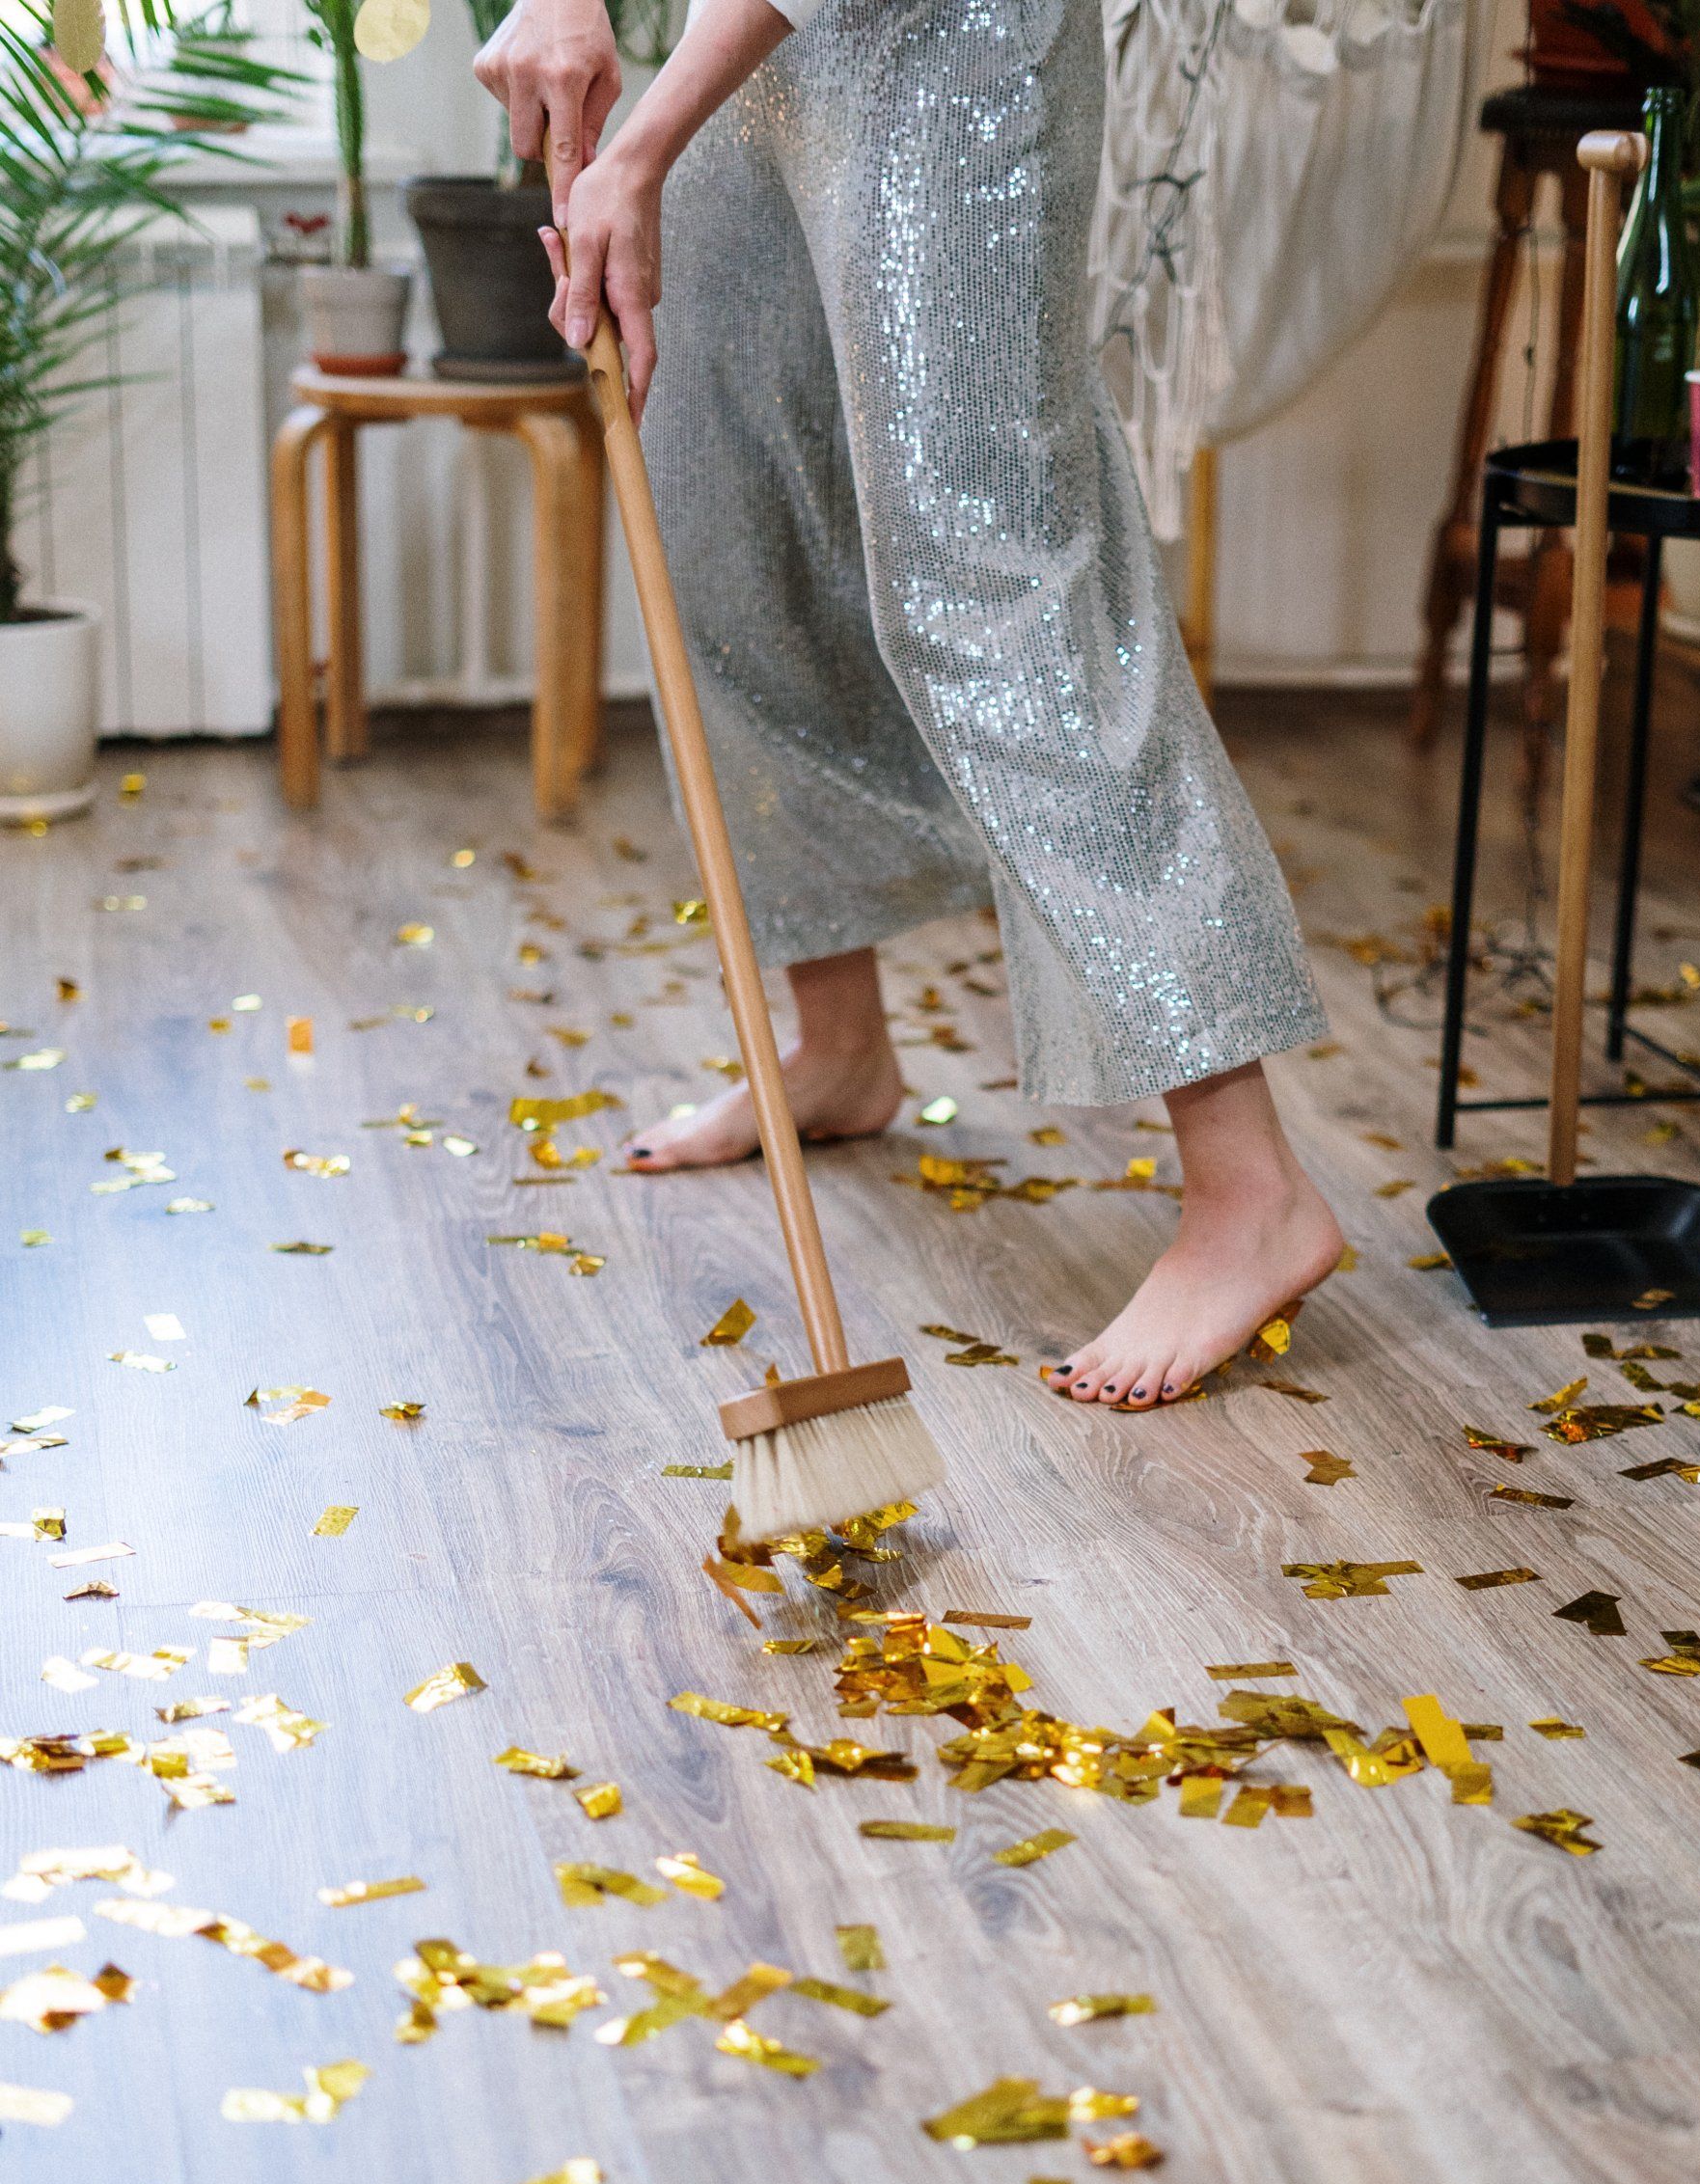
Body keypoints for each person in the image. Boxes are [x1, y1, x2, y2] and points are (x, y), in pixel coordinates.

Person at [475, 0, 1342, 1410]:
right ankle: (839, 1049)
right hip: (732, 35)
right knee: (729, 524)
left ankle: (1252, 1190)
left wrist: (645, 138)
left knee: (985, 572)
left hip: (947, 30)